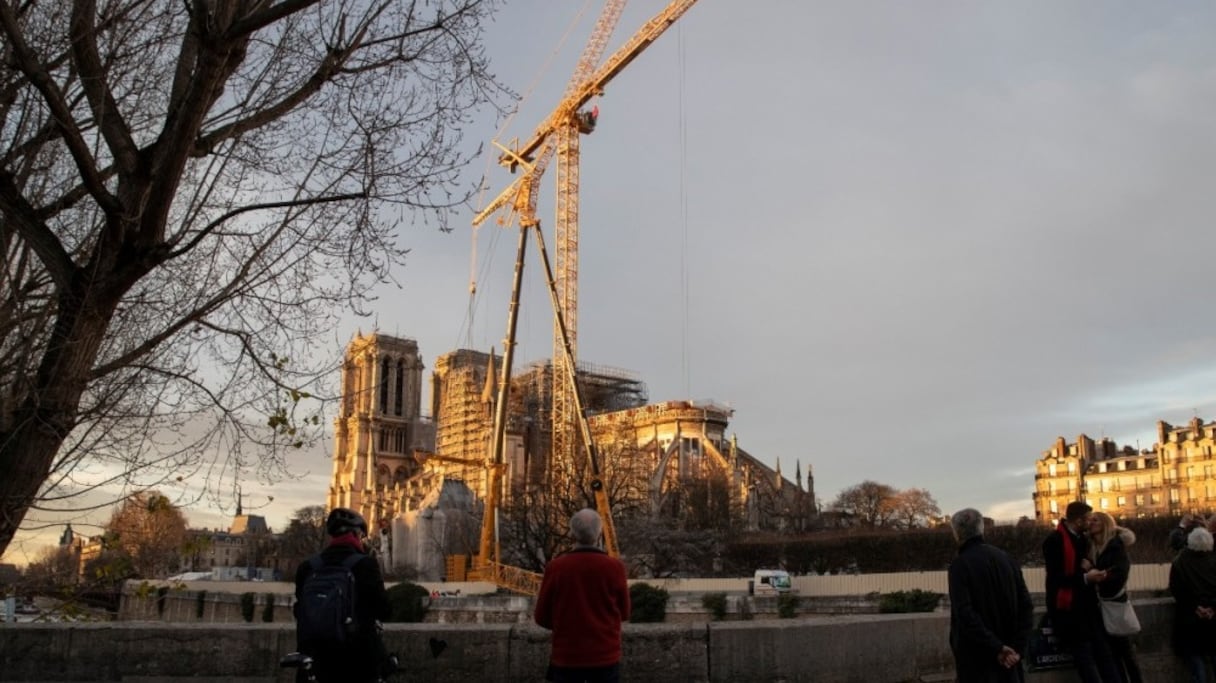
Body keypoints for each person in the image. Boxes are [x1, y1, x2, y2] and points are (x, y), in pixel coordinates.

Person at [293, 507, 391, 683]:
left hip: (314, 661)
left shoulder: (307, 567)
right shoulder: (365, 565)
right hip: (354, 664)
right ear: (357, 535)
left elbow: (298, 611)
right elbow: (383, 610)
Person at [534, 508, 631, 683]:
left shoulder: (555, 568)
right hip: (605, 657)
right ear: (599, 533)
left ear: (572, 534)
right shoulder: (615, 568)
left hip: (566, 658)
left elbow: (541, 617)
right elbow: (624, 612)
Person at [946, 508, 1034, 682]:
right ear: (982, 528)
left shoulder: (959, 565)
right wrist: (1017, 649)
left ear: (956, 533)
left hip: (977, 659)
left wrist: (997, 647)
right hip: (1010, 659)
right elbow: (1026, 606)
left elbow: (965, 614)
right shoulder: (1007, 559)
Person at [1042, 501, 1122, 683]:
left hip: (1087, 610)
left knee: (1104, 657)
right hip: (1069, 613)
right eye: (1088, 519)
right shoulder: (1053, 541)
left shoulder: (1083, 539)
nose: (1091, 523)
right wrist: (1085, 576)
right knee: (1087, 661)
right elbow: (1057, 579)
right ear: (1078, 521)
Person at [1087, 511, 1142, 683]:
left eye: (1095, 520)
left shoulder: (1115, 545)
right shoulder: (1092, 546)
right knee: (1114, 653)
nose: (1091, 523)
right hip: (1104, 604)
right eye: (1090, 520)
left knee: (1125, 652)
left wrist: (1095, 571)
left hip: (1114, 603)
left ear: (1104, 524)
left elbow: (1120, 572)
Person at [1169, 526, 1216, 683]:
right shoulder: (1213, 560)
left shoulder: (1179, 562)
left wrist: (1196, 607)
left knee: (1196, 663)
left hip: (1189, 620)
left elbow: (1177, 590)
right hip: (1212, 619)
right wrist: (1212, 608)